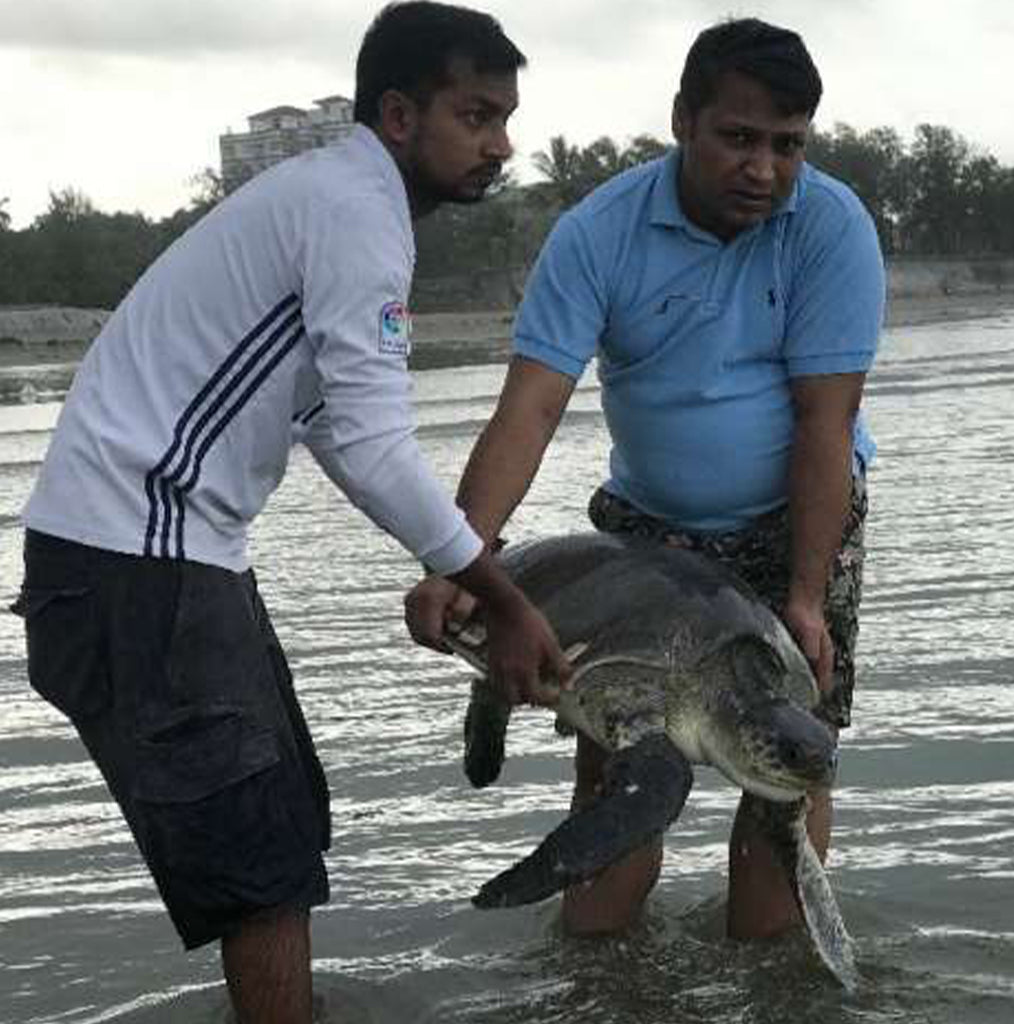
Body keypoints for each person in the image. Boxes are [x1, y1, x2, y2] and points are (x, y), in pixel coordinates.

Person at [10, 4, 571, 1022]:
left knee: (285, 825)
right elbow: (369, 442)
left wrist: (456, 571)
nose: (500, 143)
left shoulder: (327, 200)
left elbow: (325, 425)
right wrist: (506, 597)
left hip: (149, 557)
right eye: (476, 114)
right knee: (262, 865)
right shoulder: (356, 213)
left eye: (506, 117)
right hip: (142, 560)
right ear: (399, 115)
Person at [405, 17, 884, 941]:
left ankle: (772, 976)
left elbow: (826, 424)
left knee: (785, 774)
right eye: (739, 138)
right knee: (622, 766)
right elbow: (531, 409)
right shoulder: (599, 232)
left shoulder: (829, 226)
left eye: (789, 146)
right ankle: (598, 976)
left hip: (800, 518)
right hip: (649, 532)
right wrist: (456, 559)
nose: (764, 170)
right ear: (682, 120)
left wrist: (807, 598)